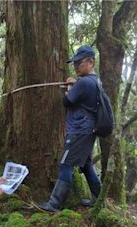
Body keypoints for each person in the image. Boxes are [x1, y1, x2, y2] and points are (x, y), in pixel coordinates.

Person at [38, 45, 102, 212]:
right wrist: (76, 84)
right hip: (88, 131)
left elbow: (67, 102)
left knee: (66, 164)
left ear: (90, 62)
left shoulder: (84, 83)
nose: (75, 67)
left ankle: (54, 204)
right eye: (74, 64)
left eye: (79, 64)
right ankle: (99, 198)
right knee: (86, 165)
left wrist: (70, 88)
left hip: (79, 132)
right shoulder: (95, 81)